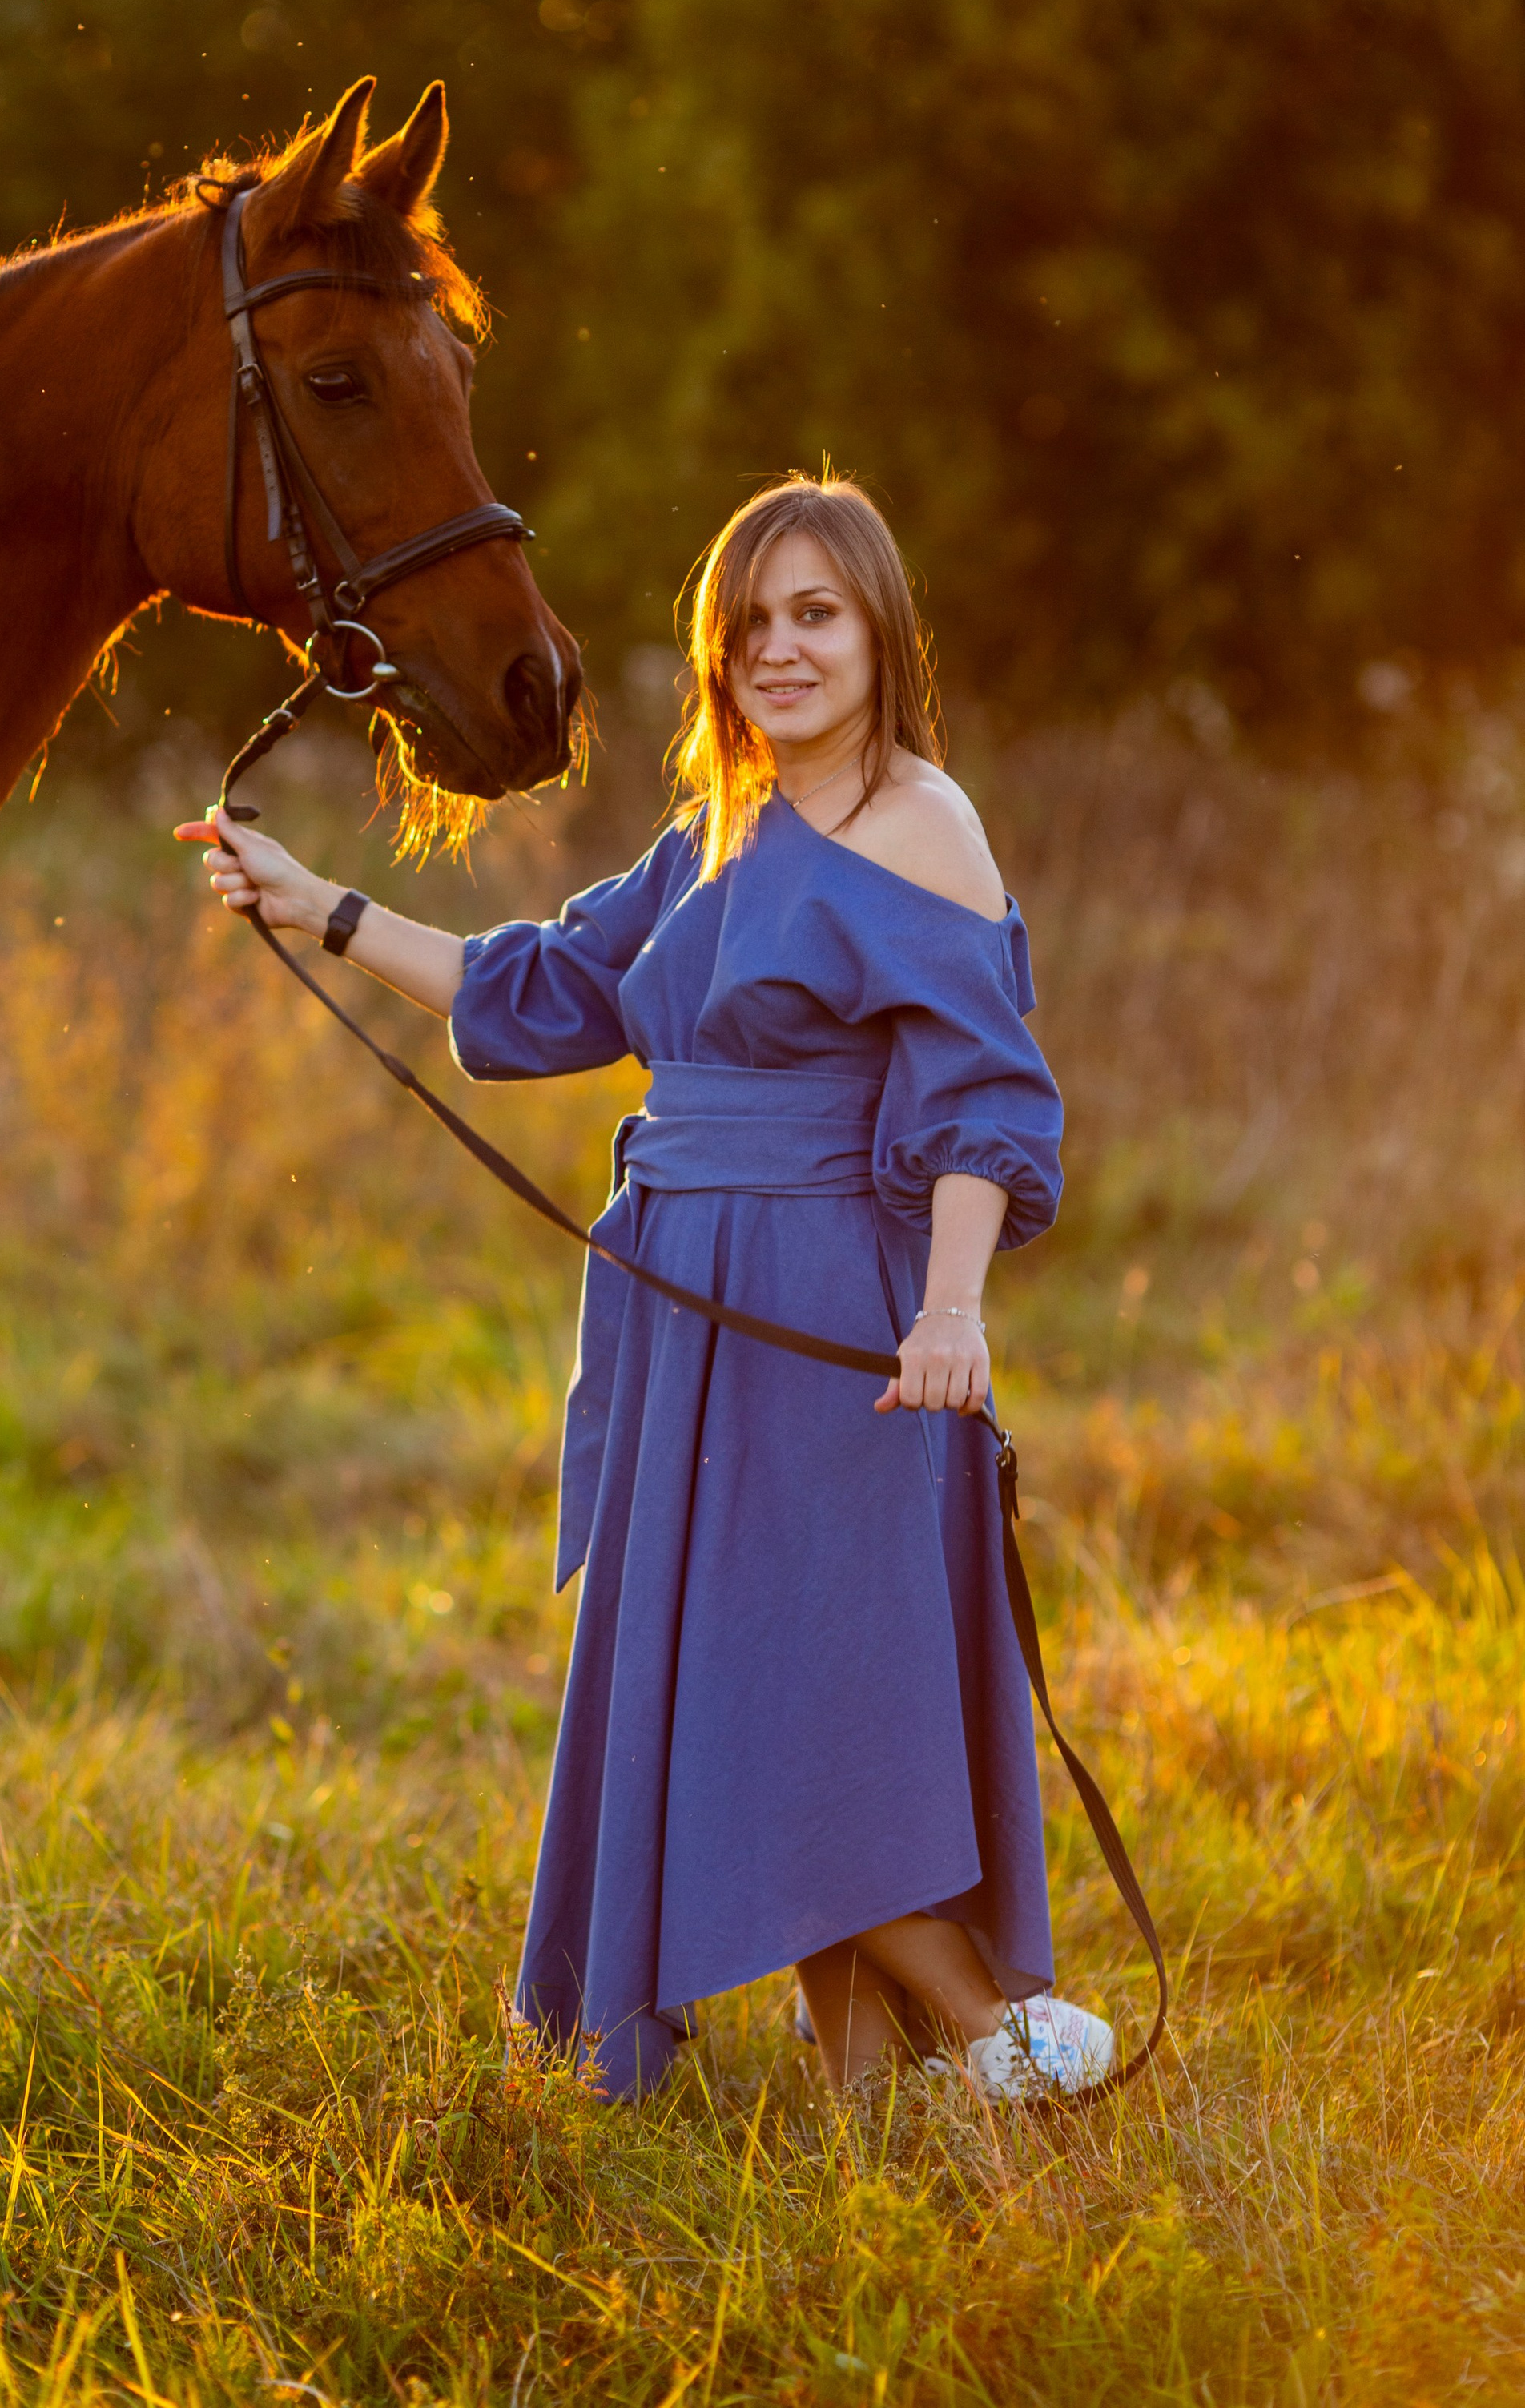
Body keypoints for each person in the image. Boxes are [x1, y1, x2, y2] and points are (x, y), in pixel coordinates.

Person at [175, 473, 1114, 2108]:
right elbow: (538, 985)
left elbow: (980, 1099)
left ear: (880, 630)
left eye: (815, 614)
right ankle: (862, 2128)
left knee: (796, 1697)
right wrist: (321, 906)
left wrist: (951, 1313)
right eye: (748, 626)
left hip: (830, 1305)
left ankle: (997, 2039)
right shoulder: (711, 832)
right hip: (682, 1298)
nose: (778, 651)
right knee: (752, 1679)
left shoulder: (921, 821)